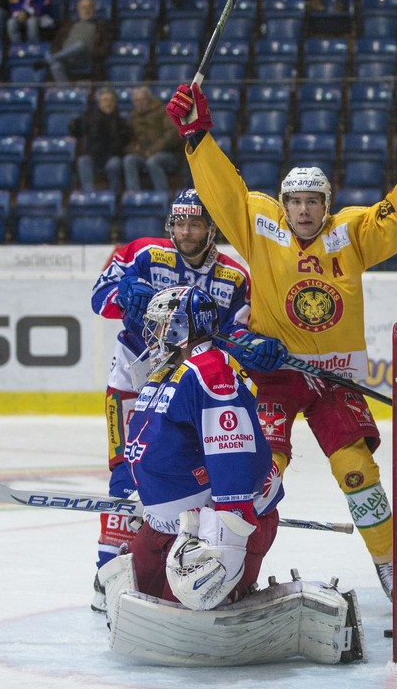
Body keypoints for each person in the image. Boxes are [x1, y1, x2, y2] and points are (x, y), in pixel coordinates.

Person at [166, 83, 397, 601]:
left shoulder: (350, 233)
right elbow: (223, 191)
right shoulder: (258, 224)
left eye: (313, 202)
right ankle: (225, 561)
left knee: (355, 472)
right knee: (260, 472)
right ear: (283, 204)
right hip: (275, 376)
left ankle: (392, 573)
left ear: (328, 202)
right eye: (295, 202)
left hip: (334, 379)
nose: (303, 211)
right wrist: (197, 137)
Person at [90, 188, 285, 612]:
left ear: (211, 228)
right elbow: (98, 298)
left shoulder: (235, 275)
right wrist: (123, 295)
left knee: (187, 471)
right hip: (133, 377)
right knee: (126, 474)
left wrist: (252, 345)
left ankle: (194, 556)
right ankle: (108, 574)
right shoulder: (142, 253)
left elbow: (231, 334)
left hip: (187, 384)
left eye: (194, 224)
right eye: (178, 223)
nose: (185, 232)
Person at [107, 284, 284, 609]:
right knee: (131, 594)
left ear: (181, 327)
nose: (153, 333)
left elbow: (232, 448)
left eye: (160, 324)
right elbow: (152, 440)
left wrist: (231, 525)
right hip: (167, 525)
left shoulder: (210, 371)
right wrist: (146, 493)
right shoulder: (166, 371)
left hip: (215, 524)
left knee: (192, 603)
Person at [68, 86, 132, 193]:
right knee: (83, 161)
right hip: (94, 156)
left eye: (111, 100)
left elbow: (125, 141)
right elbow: (77, 132)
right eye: (105, 100)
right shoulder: (90, 118)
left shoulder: (121, 122)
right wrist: (73, 125)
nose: (108, 103)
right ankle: (89, 195)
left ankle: (114, 194)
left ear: (115, 103)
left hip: (112, 156)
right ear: (99, 103)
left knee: (114, 164)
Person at [123, 85, 186, 193]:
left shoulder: (163, 112)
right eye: (136, 100)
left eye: (142, 99)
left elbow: (172, 134)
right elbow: (129, 140)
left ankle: (163, 195)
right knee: (129, 160)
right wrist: (135, 149)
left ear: (149, 99)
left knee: (153, 161)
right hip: (144, 153)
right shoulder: (133, 117)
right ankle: (134, 195)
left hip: (169, 154)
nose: (139, 103)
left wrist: (153, 150)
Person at [41, 0, 112, 81]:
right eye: (83, 7)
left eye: (89, 7)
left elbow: (105, 48)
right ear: (78, 10)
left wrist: (91, 52)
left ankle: (51, 59)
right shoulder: (68, 25)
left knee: (80, 44)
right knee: (56, 65)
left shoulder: (101, 27)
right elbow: (56, 44)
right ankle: (66, 92)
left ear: (94, 9)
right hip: (66, 58)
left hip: (85, 58)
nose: (86, 10)